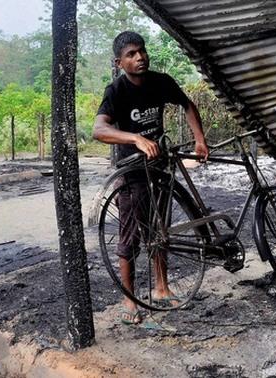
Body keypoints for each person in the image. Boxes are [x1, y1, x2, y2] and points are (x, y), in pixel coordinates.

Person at [93, 31, 208, 325]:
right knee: (130, 237)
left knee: (160, 232)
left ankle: (160, 288)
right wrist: (134, 138)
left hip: (159, 169)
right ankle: (129, 301)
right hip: (132, 174)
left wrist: (199, 139)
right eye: (131, 54)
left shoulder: (161, 82)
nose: (140, 57)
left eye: (141, 51)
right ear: (119, 62)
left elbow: (187, 104)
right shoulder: (116, 91)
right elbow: (99, 129)